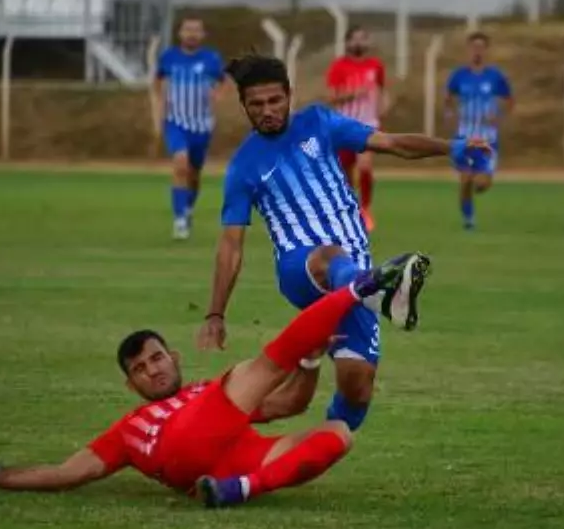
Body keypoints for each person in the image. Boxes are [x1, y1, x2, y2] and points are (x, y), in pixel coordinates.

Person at [0, 253, 426, 508]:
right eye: (141, 370)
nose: (153, 370)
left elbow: (292, 403)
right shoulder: (132, 426)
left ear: (174, 356)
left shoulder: (208, 397)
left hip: (222, 466)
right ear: (132, 387)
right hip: (182, 439)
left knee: (338, 435)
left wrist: (313, 363)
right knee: (259, 367)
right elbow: (66, 473)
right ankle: (367, 286)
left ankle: (240, 490)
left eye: (156, 358)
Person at [198, 53, 488, 433]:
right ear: (244, 107)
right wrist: (216, 314)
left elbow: (392, 143)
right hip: (301, 267)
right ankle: (382, 291)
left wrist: (449, 147)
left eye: (274, 101)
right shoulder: (243, 166)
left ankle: (301, 438)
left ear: (289, 95)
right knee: (329, 256)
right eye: (256, 104)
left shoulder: (319, 122)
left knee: (357, 388)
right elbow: (231, 245)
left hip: (352, 277)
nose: (267, 110)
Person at [153, 17, 224, 240]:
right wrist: (159, 107)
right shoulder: (169, 57)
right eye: (187, 30)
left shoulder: (211, 58)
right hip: (175, 122)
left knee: (194, 174)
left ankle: (188, 207)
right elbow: (157, 81)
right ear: (180, 33)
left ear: (202, 34)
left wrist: (217, 96)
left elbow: (223, 82)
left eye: (196, 30)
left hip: (201, 125)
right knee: (180, 165)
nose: (191, 34)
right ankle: (180, 220)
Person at [444, 32, 513, 230]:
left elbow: (509, 100)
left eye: (481, 47)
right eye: (474, 47)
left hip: (488, 140)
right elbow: (448, 99)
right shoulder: (459, 76)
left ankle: (474, 190)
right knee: (465, 179)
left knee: (482, 184)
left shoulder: (495, 76)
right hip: (464, 138)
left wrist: (498, 116)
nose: (477, 51)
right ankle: (468, 219)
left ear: (486, 50)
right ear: (468, 49)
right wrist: (451, 115)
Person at [325, 26, 386, 231]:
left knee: (365, 166)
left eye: (363, 38)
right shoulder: (338, 67)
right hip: (344, 126)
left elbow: (380, 91)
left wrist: (380, 113)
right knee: (345, 172)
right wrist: (353, 94)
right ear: (348, 42)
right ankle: (350, 210)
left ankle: (366, 210)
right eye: (355, 39)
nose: (359, 43)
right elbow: (332, 97)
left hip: (367, 125)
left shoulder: (376, 66)